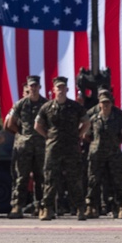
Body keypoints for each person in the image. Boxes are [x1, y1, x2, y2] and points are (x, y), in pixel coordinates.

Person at [35, 76, 87, 220]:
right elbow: (37, 125)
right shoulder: (46, 107)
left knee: (74, 179)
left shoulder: (75, 107)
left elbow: (86, 122)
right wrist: (47, 137)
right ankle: (47, 209)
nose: (61, 90)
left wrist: (78, 135)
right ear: (53, 90)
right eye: (58, 88)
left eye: (63, 88)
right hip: (53, 148)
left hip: (71, 148)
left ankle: (80, 209)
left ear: (67, 89)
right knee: (50, 179)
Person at [85, 89, 122, 218]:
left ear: (111, 103)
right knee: (93, 180)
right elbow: (86, 135)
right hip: (97, 155)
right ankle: (91, 207)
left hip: (113, 154)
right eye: (103, 103)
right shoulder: (93, 118)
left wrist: (114, 144)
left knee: (117, 181)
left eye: (107, 102)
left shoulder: (118, 117)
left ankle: (121, 207)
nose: (105, 105)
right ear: (99, 104)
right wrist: (96, 145)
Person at [4, 74, 46, 217]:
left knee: (41, 177)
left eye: (36, 86)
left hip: (41, 146)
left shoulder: (45, 104)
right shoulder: (21, 104)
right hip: (24, 147)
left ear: (39, 87)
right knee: (22, 177)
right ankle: (17, 206)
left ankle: (41, 206)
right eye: (31, 86)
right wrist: (22, 133)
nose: (33, 88)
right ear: (28, 87)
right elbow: (10, 123)